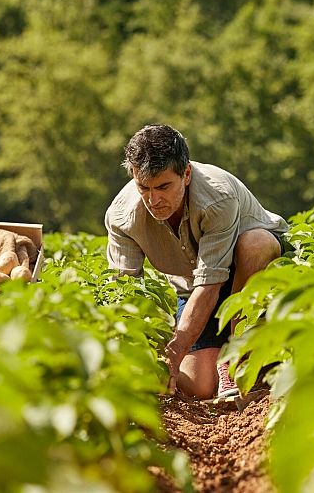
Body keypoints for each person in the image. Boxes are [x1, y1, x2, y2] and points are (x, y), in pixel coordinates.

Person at [105, 124, 289, 399]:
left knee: (255, 245)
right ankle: (234, 360)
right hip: (194, 287)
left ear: (186, 174)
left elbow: (212, 283)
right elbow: (126, 291)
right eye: (144, 187)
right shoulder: (122, 217)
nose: (154, 200)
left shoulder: (217, 197)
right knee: (199, 386)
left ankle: (238, 355)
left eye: (164, 186)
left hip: (251, 275)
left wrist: (175, 350)